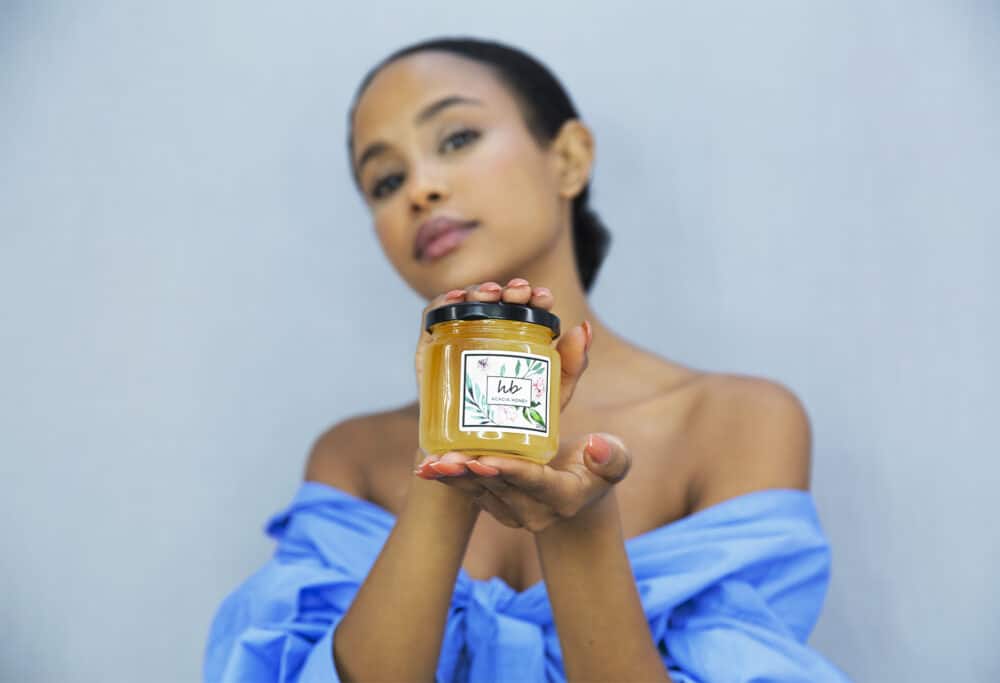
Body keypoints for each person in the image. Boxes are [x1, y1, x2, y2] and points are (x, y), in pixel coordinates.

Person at [204, 36, 851, 682]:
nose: (420, 190)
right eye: (387, 181)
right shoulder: (351, 458)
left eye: (457, 138)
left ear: (569, 158)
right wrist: (449, 461)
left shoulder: (737, 422)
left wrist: (581, 523)